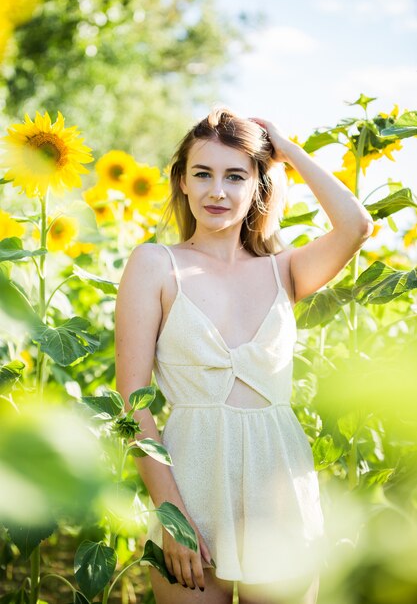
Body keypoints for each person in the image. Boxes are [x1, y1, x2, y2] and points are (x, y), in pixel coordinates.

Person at [115, 107, 374, 604]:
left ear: (258, 185)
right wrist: (171, 517)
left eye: (236, 176)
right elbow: (132, 401)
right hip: (190, 487)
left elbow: (356, 225)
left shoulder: (284, 271)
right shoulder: (154, 264)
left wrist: (285, 148)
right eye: (203, 174)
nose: (218, 191)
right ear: (183, 183)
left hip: (279, 489)